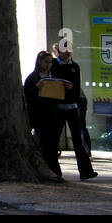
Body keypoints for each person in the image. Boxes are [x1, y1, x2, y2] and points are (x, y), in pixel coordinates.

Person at [50, 40, 98, 180]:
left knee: (77, 139)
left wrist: (74, 96)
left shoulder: (74, 66)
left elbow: (77, 86)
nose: (68, 52)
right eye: (65, 50)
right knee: (54, 138)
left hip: (72, 106)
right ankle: (54, 170)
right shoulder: (53, 64)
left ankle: (85, 171)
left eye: (70, 49)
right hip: (58, 106)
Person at [24, 50, 64, 179]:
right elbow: (26, 96)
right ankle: (50, 170)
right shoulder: (33, 77)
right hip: (39, 115)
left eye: (50, 62)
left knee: (53, 144)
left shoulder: (54, 75)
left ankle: (55, 170)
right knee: (45, 143)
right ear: (40, 62)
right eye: (46, 62)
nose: (48, 65)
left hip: (53, 114)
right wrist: (37, 88)